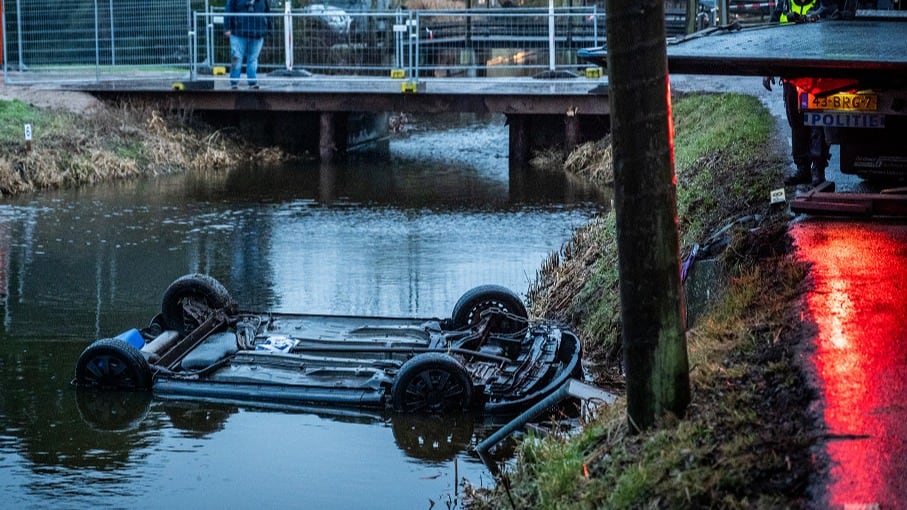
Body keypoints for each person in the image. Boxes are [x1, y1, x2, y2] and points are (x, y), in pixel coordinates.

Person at [765, 0, 831, 186]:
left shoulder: (821, 4)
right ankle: (803, 169)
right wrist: (768, 69)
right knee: (796, 122)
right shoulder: (784, 5)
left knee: (817, 122)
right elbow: (770, 36)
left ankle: (818, 170)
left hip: (815, 77)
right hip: (791, 76)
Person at [224, 0, 271, 90]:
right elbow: (228, 10)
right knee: (237, 57)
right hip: (239, 33)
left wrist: (268, 29)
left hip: (256, 33)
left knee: (252, 59)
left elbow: (267, 12)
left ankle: (251, 81)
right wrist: (227, 28)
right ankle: (234, 81)